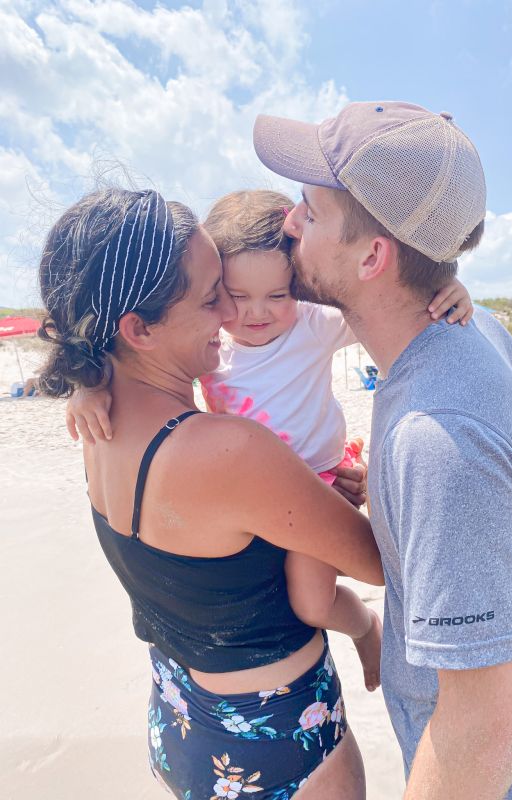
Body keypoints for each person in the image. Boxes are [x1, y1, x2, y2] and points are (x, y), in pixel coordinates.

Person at [252, 101, 512, 799]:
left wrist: (418, 479)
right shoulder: (475, 332)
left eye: (311, 213)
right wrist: (389, 494)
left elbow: (491, 734)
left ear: (373, 256)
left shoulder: (438, 439)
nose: (289, 222)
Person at [37, 187, 385, 799]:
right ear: (138, 327)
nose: (231, 315)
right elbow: (380, 563)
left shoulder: (98, 423)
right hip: (277, 744)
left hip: (178, 719)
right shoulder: (230, 451)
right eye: (211, 296)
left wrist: (83, 385)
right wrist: (359, 495)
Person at [65, 187, 475, 693]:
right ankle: (367, 625)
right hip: (267, 507)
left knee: (311, 601)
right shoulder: (217, 358)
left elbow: (389, 301)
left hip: (319, 479)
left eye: (277, 295)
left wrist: (446, 285)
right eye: (225, 295)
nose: (248, 313)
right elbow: (379, 564)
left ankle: (365, 628)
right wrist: (86, 386)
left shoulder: (307, 327)